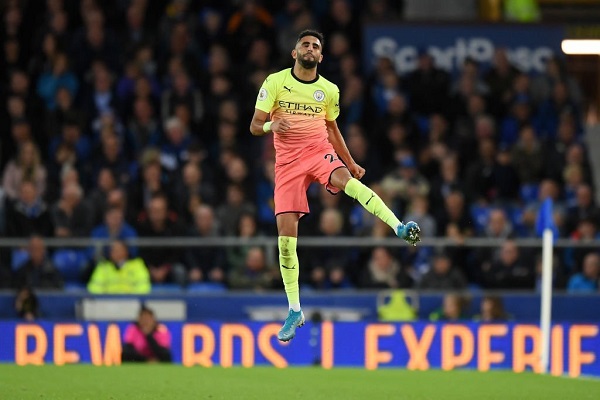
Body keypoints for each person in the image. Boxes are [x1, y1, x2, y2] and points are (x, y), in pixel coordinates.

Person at [249, 30, 420, 341]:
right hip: (287, 164)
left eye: (315, 46)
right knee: (285, 241)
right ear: (294, 52)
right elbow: (255, 126)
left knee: (351, 184)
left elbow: (332, 128)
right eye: (305, 44)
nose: (310, 49)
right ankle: (294, 310)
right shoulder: (275, 82)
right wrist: (274, 124)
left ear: (321, 56)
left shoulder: (329, 90)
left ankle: (398, 226)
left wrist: (350, 161)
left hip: (318, 152)